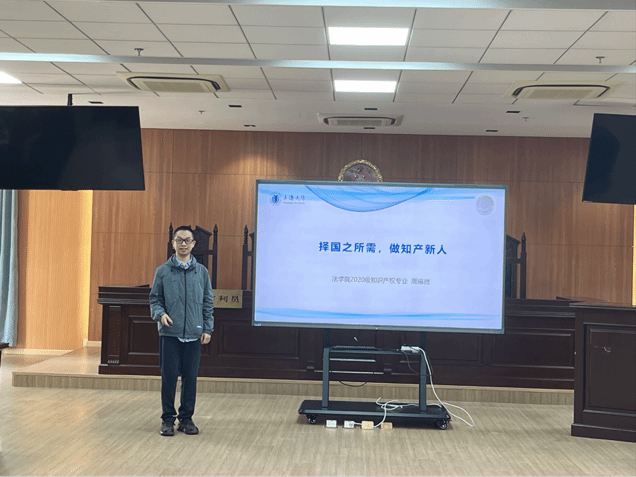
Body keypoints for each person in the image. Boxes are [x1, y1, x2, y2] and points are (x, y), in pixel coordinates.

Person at [149, 225, 214, 436]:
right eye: (179, 240)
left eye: (187, 241)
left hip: (194, 334)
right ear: (173, 243)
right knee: (169, 378)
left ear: (193, 244)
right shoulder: (162, 271)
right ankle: (167, 419)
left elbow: (208, 302)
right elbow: (155, 299)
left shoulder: (201, 272)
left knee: (190, 378)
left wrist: (207, 328)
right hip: (170, 334)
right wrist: (160, 314)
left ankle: (186, 418)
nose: (183, 244)